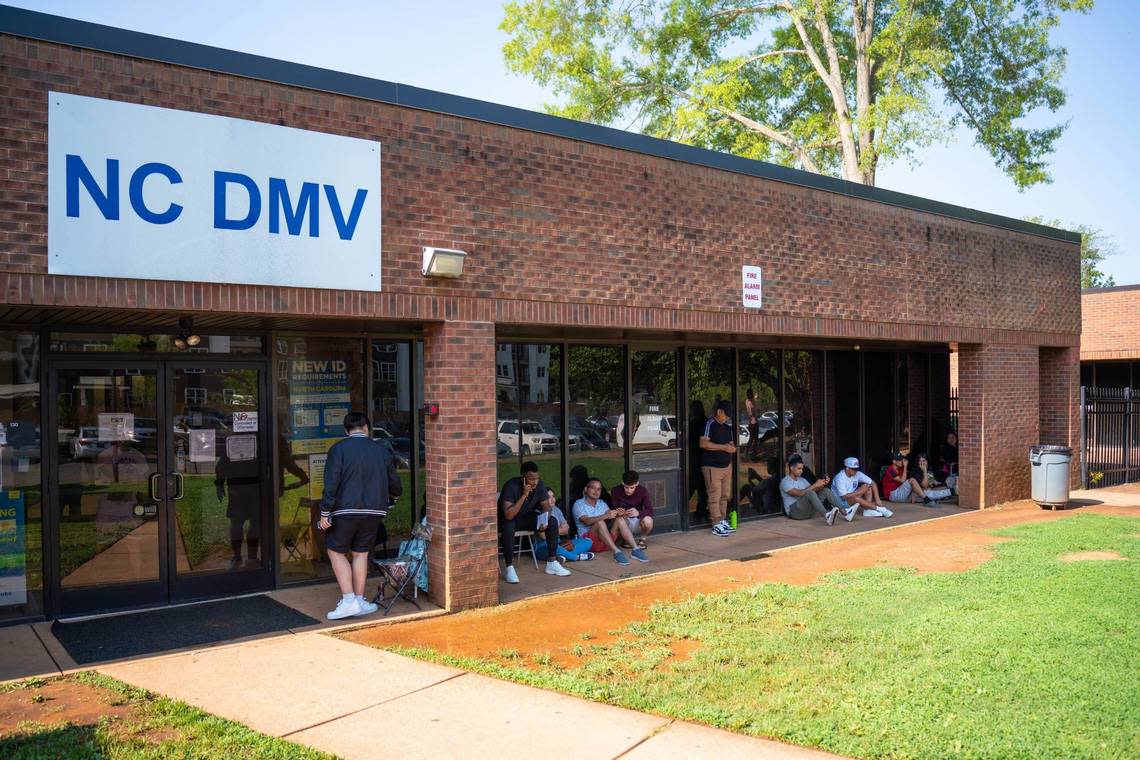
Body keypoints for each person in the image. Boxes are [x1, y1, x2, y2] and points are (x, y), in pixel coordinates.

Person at [318, 412, 402, 620]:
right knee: (361, 553)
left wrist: (324, 512)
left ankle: (348, 601)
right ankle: (360, 599)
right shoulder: (381, 451)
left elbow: (331, 483)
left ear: (347, 430)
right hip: (373, 511)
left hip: (345, 510)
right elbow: (395, 483)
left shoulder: (338, 449)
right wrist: (395, 496)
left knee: (336, 551)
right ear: (366, 427)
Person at [498, 461, 571, 583]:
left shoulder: (539, 485)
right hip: (507, 519)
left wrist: (545, 521)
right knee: (509, 526)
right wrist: (524, 495)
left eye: (537, 478)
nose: (535, 482)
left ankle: (552, 562)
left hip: (525, 517)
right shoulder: (511, 486)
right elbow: (509, 515)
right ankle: (509, 567)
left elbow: (546, 507)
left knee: (552, 521)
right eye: (532, 479)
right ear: (523, 478)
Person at [572, 478, 648, 565]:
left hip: (606, 542)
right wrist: (606, 516)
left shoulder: (602, 503)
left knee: (619, 519)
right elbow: (586, 521)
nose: (596, 491)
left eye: (599, 489)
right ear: (586, 489)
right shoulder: (578, 504)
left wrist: (621, 514)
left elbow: (610, 515)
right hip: (588, 543)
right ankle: (617, 552)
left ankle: (635, 549)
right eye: (593, 488)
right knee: (600, 523)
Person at [215, 442, 260, 570]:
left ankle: (249, 557)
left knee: (253, 523)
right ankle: (239, 556)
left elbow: (221, 467)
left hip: (253, 488)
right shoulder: (234, 441)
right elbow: (221, 466)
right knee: (238, 523)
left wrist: (219, 484)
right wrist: (219, 484)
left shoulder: (256, 439)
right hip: (238, 488)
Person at [700, 400, 737, 536]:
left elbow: (731, 443)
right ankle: (715, 523)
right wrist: (723, 447)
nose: (726, 418)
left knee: (725, 495)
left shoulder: (727, 427)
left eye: (728, 417)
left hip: (726, 465)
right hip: (712, 466)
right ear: (719, 411)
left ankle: (722, 520)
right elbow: (703, 443)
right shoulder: (710, 423)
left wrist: (732, 448)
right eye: (725, 415)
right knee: (714, 494)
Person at [780, 454, 847, 524]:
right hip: (795, 513)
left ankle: (845, 512)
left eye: (802, 469)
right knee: (810, 492)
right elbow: (800, 493)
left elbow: (815, 489)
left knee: (825, 490)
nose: (801, 471)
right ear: (791, 468)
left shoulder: (802, 480)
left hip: (807, 512)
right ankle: (827, 516)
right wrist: (815, 484)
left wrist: (823, 483)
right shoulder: (785, 482)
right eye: (799, 469)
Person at [534, 489, 595, 562]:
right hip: (543, 547)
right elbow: (543, 536)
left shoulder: (556, 510)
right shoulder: (537, 512)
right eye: (548, 497)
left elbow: (566, 530)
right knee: (554, 548)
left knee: (588, 541)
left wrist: (551, 531)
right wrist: (559, 529)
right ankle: (577, 557)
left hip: (561, 544)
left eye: (553, 496)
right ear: (542, 500)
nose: (552, 499)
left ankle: (563, 556)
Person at [609, 470, 654, 549]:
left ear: (637, 483)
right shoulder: (615, 490)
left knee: (648, 520)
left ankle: (642, 539)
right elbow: (613, 509)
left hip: (638, 521)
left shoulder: (643, 491)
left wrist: (638, 513)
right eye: (626, 487)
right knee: (619, 520)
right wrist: (620, 513)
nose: (629, 490)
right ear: (622, 482)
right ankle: (626, 540)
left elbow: (650, 510)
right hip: (624, 521)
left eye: (632, 487)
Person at [687, 400, 709, 520]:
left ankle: (697, 513)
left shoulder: (697, 423)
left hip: (698, 459)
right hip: (700, 459)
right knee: (701, 490)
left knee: (694, 487)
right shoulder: (704, 422)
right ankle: (699, 512)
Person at [744, 388, 759, 460]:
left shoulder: (751, 401)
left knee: (755, 439)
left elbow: (755, 398)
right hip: (752, 423)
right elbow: (750, 411)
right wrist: (754, 415)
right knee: (752, 439)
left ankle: (753, 454)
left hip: (755, 422)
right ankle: (747, 453)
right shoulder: (749, 402)